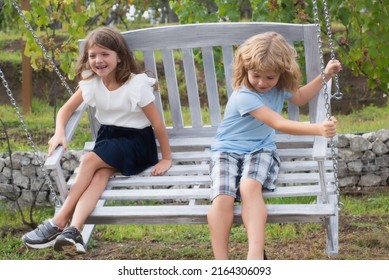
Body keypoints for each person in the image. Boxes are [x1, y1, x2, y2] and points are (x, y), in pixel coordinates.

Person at [21, 26, 172, 255]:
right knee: (99, 175)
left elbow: (158, 124)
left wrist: (166, 158)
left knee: (90, 159)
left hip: (137, 143)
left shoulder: (136, 85)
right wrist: (59, 132)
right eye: (93, 55)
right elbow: (65, 110)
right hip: (109, 140)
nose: (98, 60)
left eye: (105, 54)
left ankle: (58, 220)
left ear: (119, 57)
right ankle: (74, 230)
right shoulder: (91, 82)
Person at [207, 32, 341, 260]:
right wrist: (317, 128)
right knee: (223, 197)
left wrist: (325, 76)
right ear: (245, 69)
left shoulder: (277, 86)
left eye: (269, 77)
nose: (262, 82)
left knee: (250, 188)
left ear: (281, 73)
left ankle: (255, 256)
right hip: (226, 149)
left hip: (260, 148)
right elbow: (278, 123)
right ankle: (222, 263)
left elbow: (299, 97)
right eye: (256, 75)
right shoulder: (244, 95)